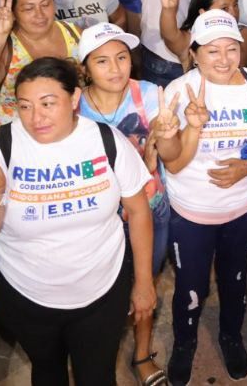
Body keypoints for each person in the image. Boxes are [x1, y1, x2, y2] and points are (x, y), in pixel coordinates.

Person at [0, 57, 155, 384]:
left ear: (74, 98)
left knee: (97, 375)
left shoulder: (106, 140)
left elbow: (138, 211)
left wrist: (145, 282)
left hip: (102, 292)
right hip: (27, 294)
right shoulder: (1, 145)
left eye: (48, 103)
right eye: (25, 106)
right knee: (47, 371)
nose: (36, 118)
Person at [156, 10, 247, 384]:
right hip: (191, 211)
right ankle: (184, 343)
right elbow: (172, 162)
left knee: (236, 278)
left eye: (231, 49)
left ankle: (231, 337)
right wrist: (185, 129)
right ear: (194, 54)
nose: (224, 59)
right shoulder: (179, 92)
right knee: (190, 284)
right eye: (212, 51)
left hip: (244, 206)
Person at [73, 24, 172, 383]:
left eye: (121, 57)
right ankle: (99, 356)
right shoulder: (73, 106)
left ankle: (142, 354)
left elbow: (169, 153)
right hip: (98, 220)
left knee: (146, 283)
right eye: (102, 61)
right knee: (101, 292)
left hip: (151, 207)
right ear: (85, 68)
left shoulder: (149, 94)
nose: (115, 68)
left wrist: (169, 137)